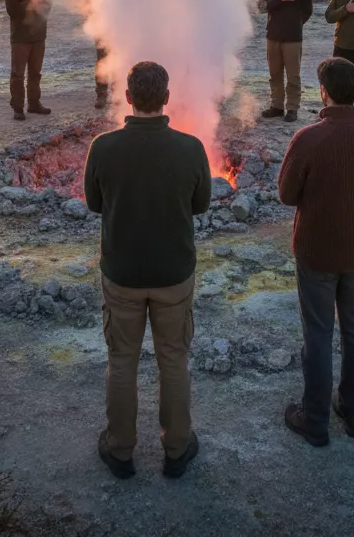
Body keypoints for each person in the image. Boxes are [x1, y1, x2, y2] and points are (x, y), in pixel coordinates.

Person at [84, 61, 212, 480]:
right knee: (173, 358)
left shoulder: (103, 148)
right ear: (167, 98)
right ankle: (177, 448)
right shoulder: (191, 148)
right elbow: (201, 204)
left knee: (122, 360)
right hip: (173, 272)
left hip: (122, 272)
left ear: (128, 97)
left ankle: (120, 451)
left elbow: (93, 203)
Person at [277, 58, 354, 446]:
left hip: (317, 252)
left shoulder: (308, 138)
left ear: (323, 91)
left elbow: (286, 194)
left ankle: (315, 420)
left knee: (319, 334)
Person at [258, 0, 314, 123]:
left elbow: (308, 10)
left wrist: (296, 24)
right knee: (274, 74)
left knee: (293, 76)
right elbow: (261, 6)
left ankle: (292, 108)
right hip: (273, 36)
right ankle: (276, 106)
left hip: (293, 39)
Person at [5, 0, 52, 120]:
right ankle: (18, 108)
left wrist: (41, 5)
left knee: (35, 72)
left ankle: (34, 104)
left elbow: (49, 5)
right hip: (20, 37)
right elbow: (11, 10)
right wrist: (30, 4)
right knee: (18, 74)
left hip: (39, 35)